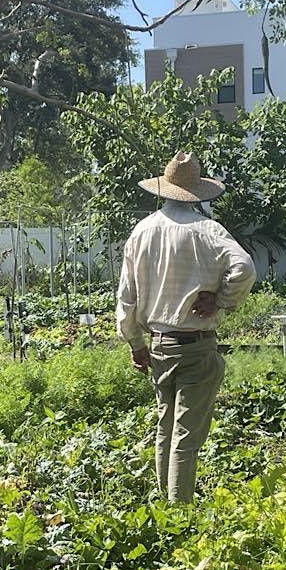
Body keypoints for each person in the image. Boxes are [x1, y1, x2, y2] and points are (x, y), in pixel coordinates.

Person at [116, 151, 257, 503]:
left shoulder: (143, 231)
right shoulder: (207, 230)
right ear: (197, 193)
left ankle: (165, 508)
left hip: (159, 343)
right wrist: (222, 300)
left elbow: (126, 296)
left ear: (164, 190)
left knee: (166, 428)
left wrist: (135, 343)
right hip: (195, 344)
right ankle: (180, 513)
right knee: (186, 436)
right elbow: (245, 268)